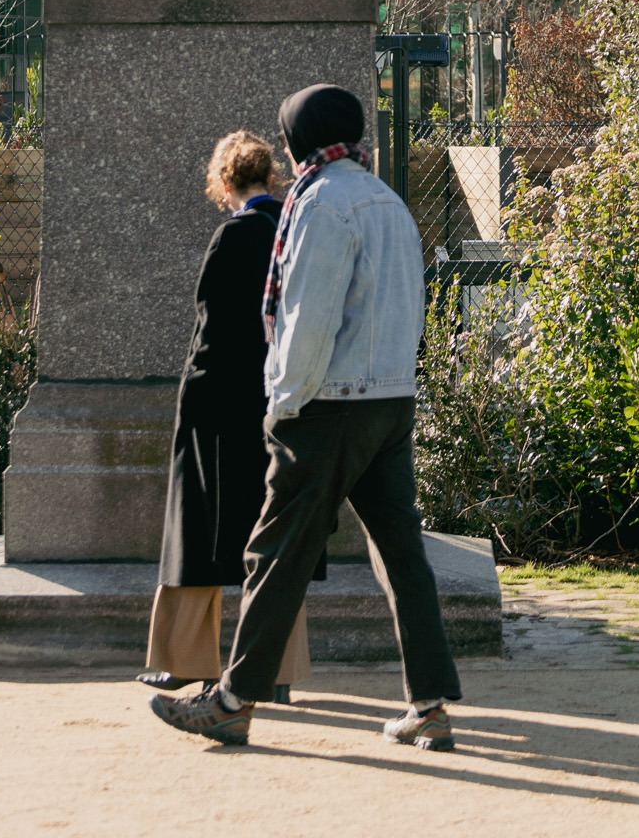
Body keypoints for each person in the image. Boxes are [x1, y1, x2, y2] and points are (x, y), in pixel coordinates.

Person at [151, 83, 461, 751]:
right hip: (390, 400)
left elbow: (306, 318)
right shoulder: (388, 203)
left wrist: (282, 403)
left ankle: (232, 700)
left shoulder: (318, 204)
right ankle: (429, 705)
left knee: (272, 553)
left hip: (328, 405)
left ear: (299, 143)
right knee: (402, 557)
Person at [138, 129, 316, 701]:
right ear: (271, 177)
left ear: (222, 182)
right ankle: (276, 670)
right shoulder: (290, 235)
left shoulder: (232, 237)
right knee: (274, 539)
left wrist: (190, 398)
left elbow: (210, 332)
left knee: (196, 529)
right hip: (279, 402)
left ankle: (186, 657)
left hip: (220, 405)